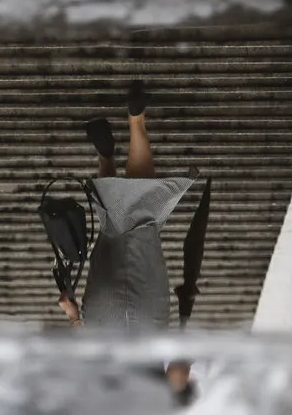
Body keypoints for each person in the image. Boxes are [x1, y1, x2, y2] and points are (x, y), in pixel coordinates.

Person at [56, 80, 199, 400]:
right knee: (113, 230)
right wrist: (74, 316)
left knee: (141, 220)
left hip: (143, 323)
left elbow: (178, 372)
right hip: (103, 324)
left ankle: (136, 120)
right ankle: (106, 155)